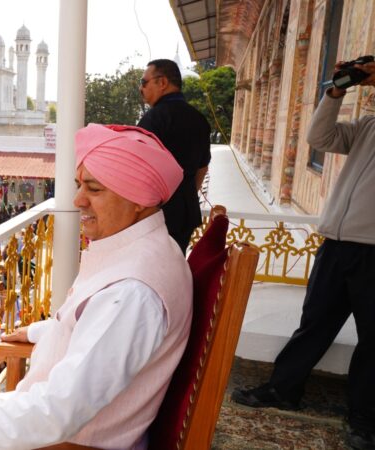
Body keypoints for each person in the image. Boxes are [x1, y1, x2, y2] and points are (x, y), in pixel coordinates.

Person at [0, 123, 191, 450]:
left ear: (139, 197)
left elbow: (58, 411)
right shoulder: (146, 253)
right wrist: (45, 331)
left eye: (94, 189)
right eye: (79, 185)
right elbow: (103, 330)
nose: (78, 200)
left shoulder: (133, 292)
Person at [232, 61, 375, 450]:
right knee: (314, 324)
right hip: (336, 245)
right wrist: (336, 92)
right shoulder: (366, 127)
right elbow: (319, 136)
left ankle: (364, 419)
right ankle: (283, 389)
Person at [137, 58, 211, 252]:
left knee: (151, 273)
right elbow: (203, 167)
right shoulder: (199, 119)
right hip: (185, 213)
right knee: (173, 268)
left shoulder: (153, 120)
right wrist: (184, 193)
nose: (141, 89)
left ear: (162, 83)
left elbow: (137, 169)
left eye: (144, 82)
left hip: (153, 216)